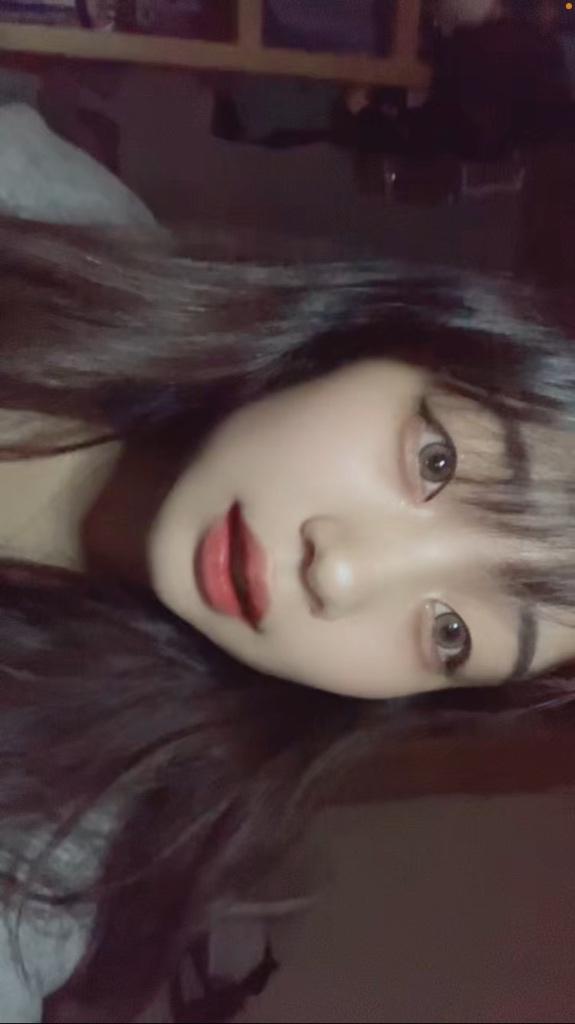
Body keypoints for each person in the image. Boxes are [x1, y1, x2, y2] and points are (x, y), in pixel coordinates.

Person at [2, 216, 575, 1023]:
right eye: (436, 462)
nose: (339, 575)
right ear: (397, 339)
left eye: (450, 635)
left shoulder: (45, 859)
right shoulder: (52, 218)